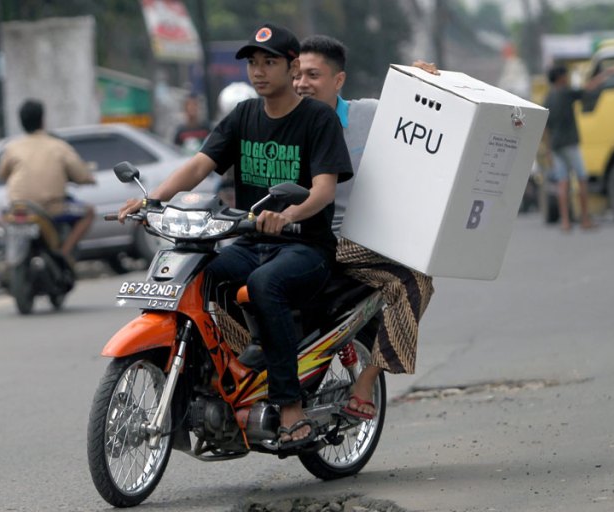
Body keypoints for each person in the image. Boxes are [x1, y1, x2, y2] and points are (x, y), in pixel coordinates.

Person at [118, 23, 353, 449]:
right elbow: (199, 165)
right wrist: (151, 200)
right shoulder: (244, 116)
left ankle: (290, 407)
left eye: (270, 62)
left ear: (292, 66)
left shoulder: (317, 119)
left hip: (306, 245)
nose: (259, 71)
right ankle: (218, 377)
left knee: (266, 285)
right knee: (198, 275)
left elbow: (324, 189)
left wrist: (290, 215)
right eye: (253, 63)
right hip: (249, 240)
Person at [293, 35, 436, 421]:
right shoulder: (282, 121)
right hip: (294, 238)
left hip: (351, 240)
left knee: (415, 278)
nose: (301, 83)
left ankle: (366, 379)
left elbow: (425, 114)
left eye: (312, 74)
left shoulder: (369, 115)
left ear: (338, 81)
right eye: (296, 74)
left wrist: (422, 79)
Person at [0, 99, 96, 260]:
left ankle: (9, 257)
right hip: (51, 209)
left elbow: (2, 173)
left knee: (2, 216)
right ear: (43, 120)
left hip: (18, 208)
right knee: (89, 212)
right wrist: (88, 178)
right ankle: (63, 254)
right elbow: (81, 175)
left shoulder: (12, 147)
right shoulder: (58, 145)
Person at [544, 65, 597, 232]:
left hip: (555, 145)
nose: (567, 77)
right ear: (560, 77)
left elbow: (545, 127)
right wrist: (604, 75)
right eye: (565, 75)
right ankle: (585, 219)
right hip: (570, 143)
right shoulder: (566, 92)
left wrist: (547, 150)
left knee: (563, 182)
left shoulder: (548, 98)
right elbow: (587, 90)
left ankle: (565, 222)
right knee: (581, 178)